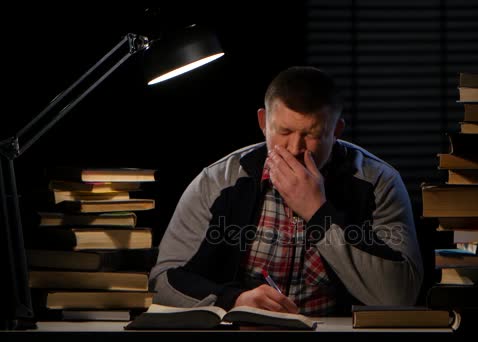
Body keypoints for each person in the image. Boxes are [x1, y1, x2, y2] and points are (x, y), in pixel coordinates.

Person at [149, 66, 423, 316]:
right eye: (284, 131)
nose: (294, 148)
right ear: (263, 122)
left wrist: (318, 213)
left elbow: (400, 295)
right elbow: (162, 281)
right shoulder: (218, 181)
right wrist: (233, 300)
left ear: (336, 130)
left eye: (312, 134)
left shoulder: (379, 183)